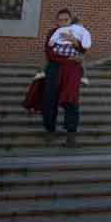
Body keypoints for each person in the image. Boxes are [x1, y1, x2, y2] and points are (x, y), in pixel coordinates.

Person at [31, 9, 91, 148]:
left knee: (71, 101)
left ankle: (71, 136)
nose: (63, 22)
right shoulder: (52, 33)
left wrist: (75, 43)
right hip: (54, 69)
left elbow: (83, 50)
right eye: (60, 20)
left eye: (66, 20)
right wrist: (70, 59)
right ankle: (50, 130)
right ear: (57, 21)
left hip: (72, 72)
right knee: (49, 99)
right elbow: (50, 53)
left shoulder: (77, 32)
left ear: (71, 20)